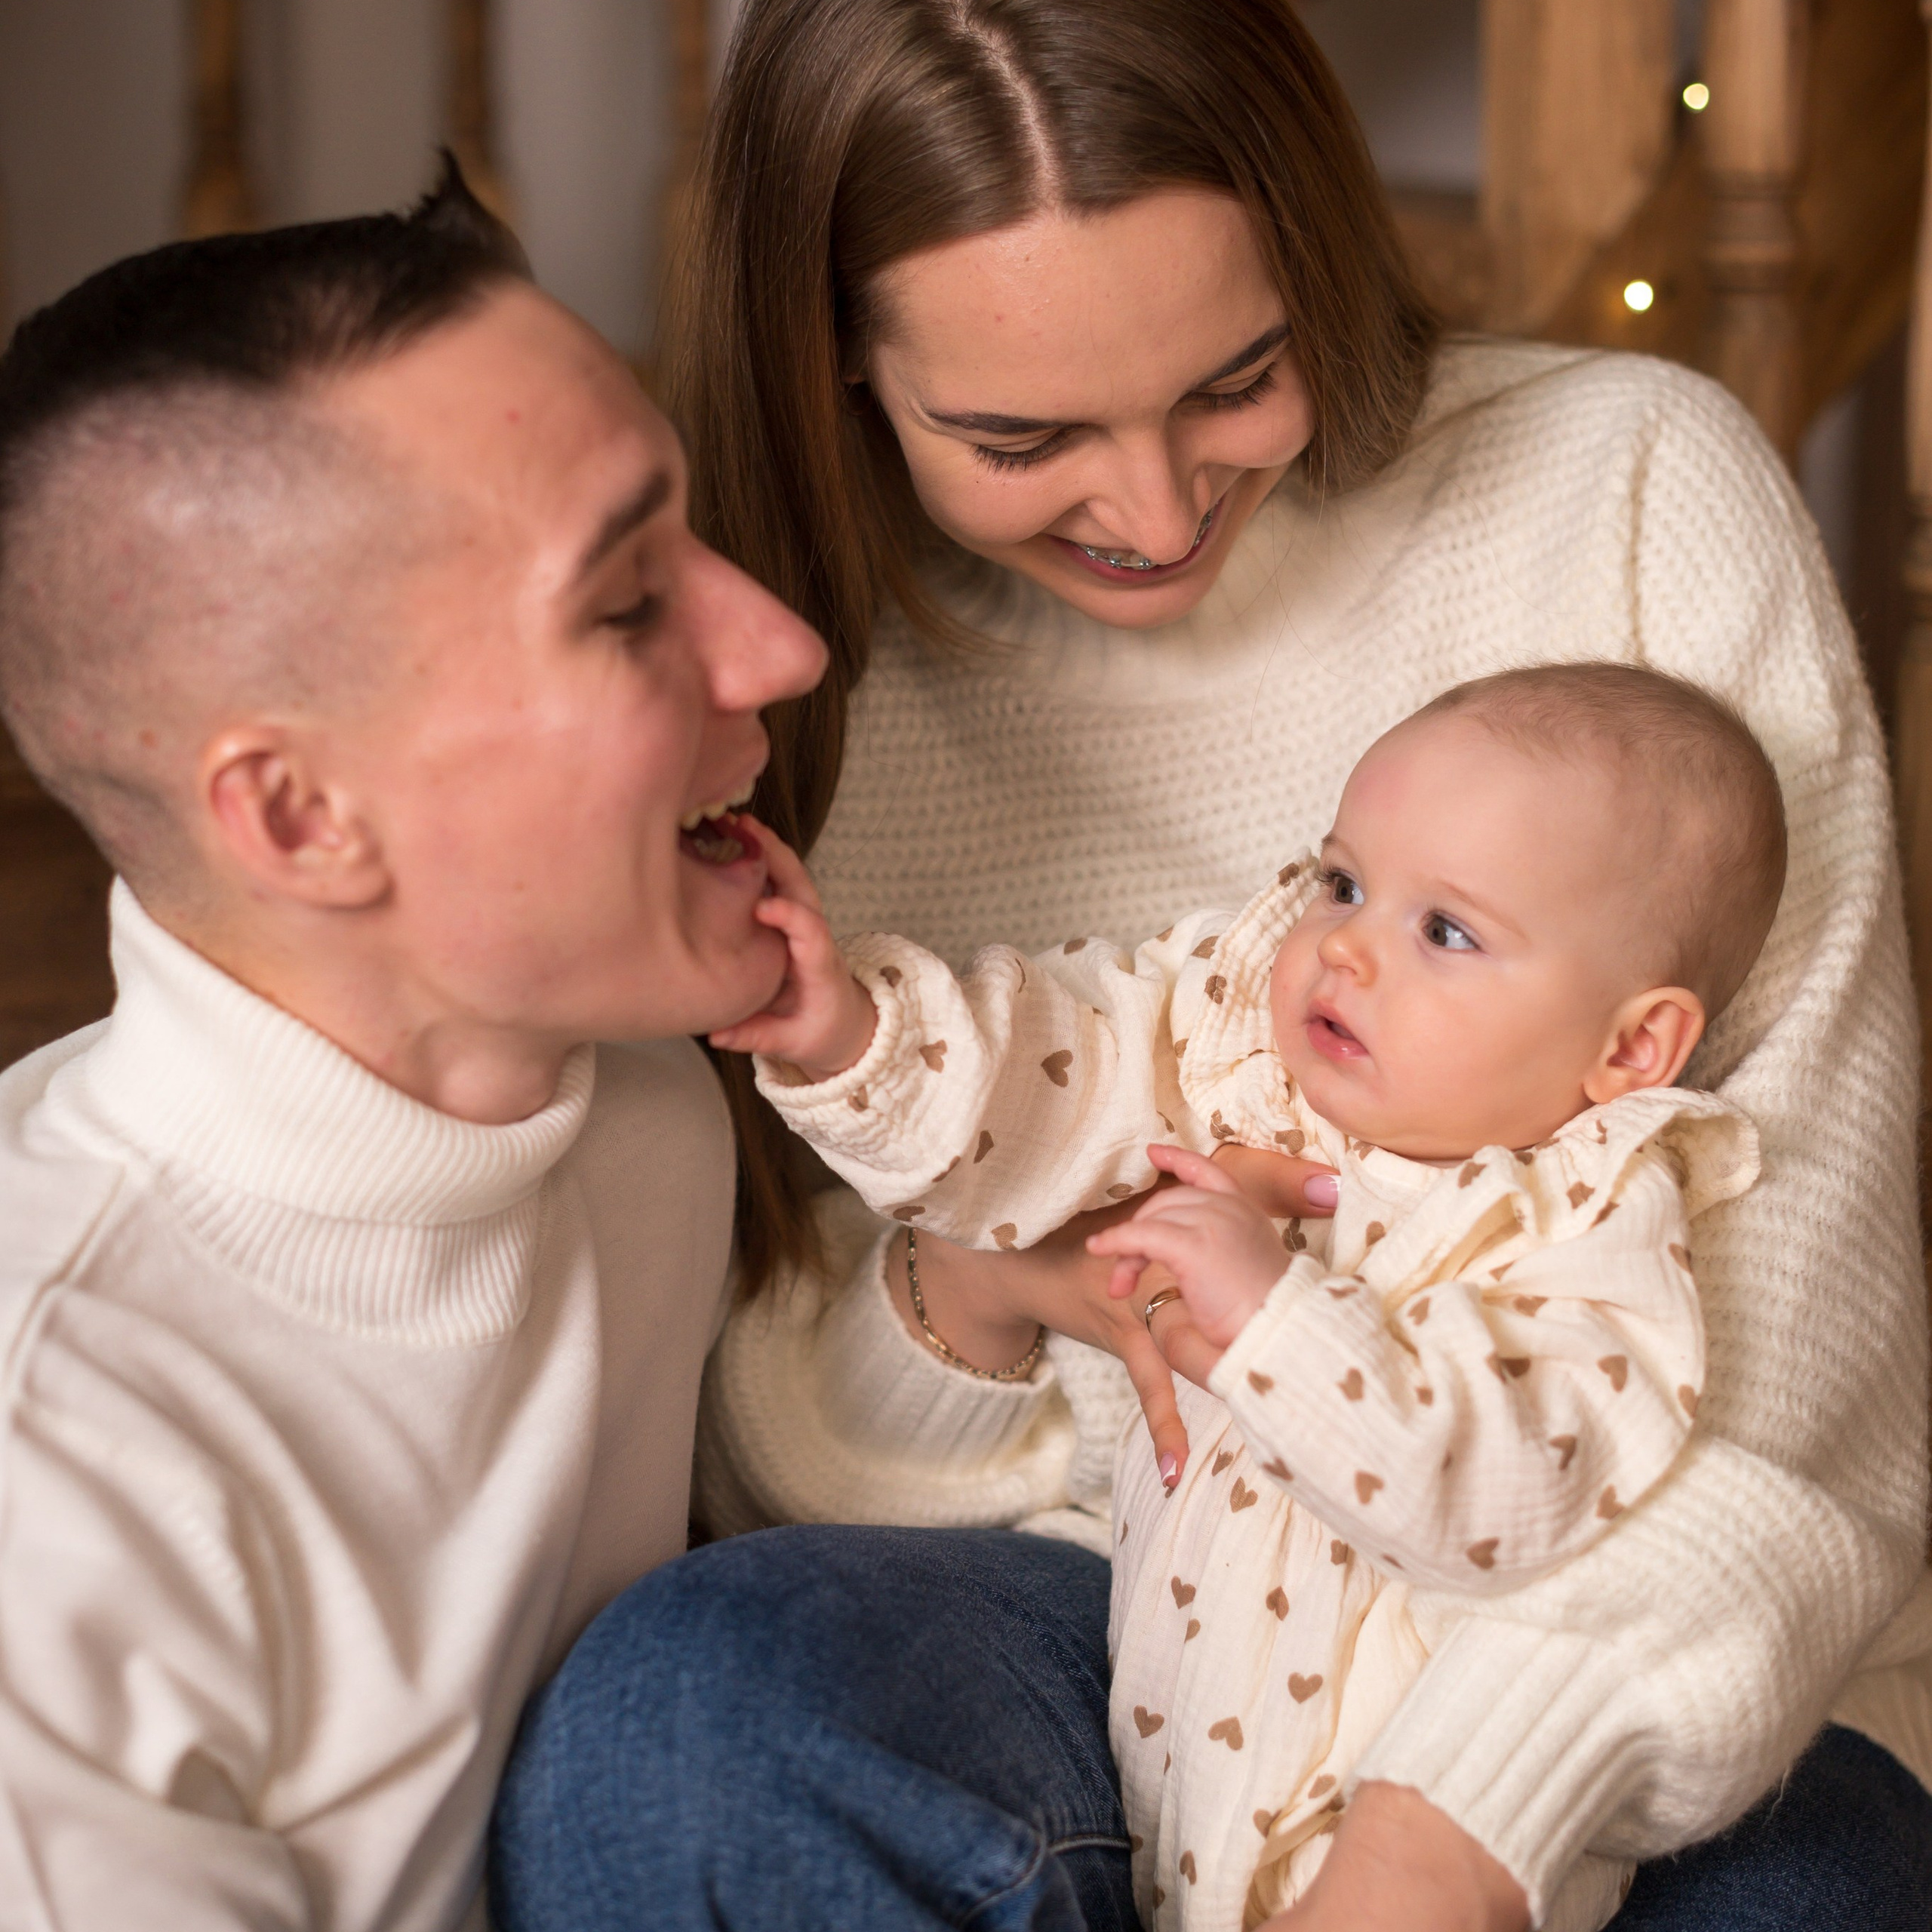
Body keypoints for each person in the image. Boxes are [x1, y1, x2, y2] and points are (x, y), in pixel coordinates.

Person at [491, 2, 1932, 1930]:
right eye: (1019, 436)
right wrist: (980, 1291)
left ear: (1311, 253)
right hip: (1087, 1604)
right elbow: (758, 1420)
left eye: (1233, 379)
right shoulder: (777, 666)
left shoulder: (1631, 489)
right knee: (678, 1719)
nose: (1155, 513)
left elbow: (1802, 1317)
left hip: (1615, 1631)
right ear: (835, 355)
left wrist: (1454, 1823)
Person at [0, 164, 824, 1929]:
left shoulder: (640, 1107)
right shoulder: (54, 1479)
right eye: (626, 605)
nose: (780, 644)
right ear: (299, 819)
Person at [721, 662, 1783, 1932]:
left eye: (1445, 932)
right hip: (1179, 1810)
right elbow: (1044, 1076)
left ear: (1630, 1049)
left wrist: (1271, 1315)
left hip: (1404, 1835)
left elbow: (1502, 1496)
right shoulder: (1238, 1044)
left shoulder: (1593, 1223)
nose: (1343, 947)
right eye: (1344, 881)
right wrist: (850, 1034)